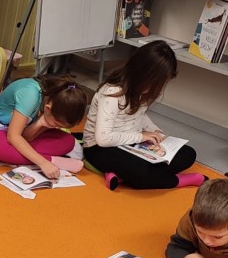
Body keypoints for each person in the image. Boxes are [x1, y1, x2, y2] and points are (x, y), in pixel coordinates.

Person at [82, 40, 206, 191]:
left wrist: (155, 132)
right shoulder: (112, 93)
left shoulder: (141, 90)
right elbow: (104, 139)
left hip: (129, 143)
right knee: (140, 171)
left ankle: (118, 174)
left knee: (188, 154)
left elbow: (139, 116)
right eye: (156, 84)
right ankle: (178, 180)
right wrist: (141, 137)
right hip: (99, 148)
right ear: (142, 74)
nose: (157, 89)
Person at [0, 74, 88, 179]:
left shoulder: (53, 103)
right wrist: (44, 163)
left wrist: (40, 123)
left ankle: (8, 155)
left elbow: (26, 137)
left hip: (21, 131)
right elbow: (13, 136)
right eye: (57, 124)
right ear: (47, 108)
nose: (58, 127)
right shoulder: (30, 94)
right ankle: (54, 161)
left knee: (69, 141)